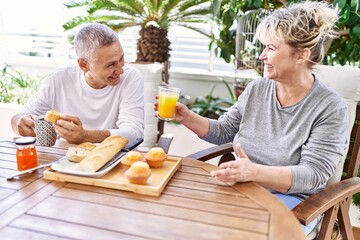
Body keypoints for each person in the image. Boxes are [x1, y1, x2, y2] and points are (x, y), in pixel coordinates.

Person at [155, 1, 347, 235]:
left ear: (301, 55)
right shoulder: (258, 88)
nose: (263, 55)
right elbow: (225, 130)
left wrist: (253, 171)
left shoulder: (329, 108)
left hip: (293, 202)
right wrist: (186, 117)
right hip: (242, 189)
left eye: (272, 48)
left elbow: (312, 175)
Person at [11, 23, 144, 144]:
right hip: (64, 160)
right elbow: (20, 117)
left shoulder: (131, 78)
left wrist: (85, 136)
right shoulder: (58, 80)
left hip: (114, 160)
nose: (120, 70)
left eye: (121, 59)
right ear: (84, 65)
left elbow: (134, 133)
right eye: (110, 65)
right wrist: (19, 123)